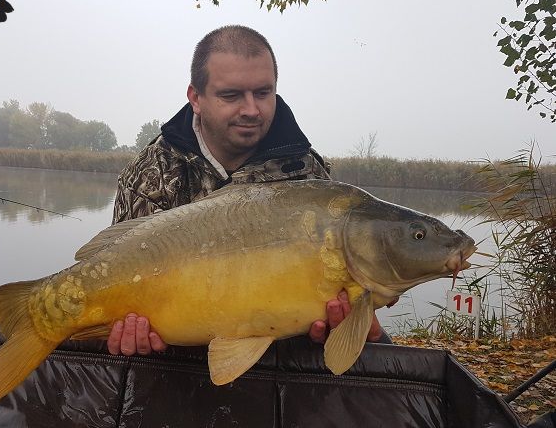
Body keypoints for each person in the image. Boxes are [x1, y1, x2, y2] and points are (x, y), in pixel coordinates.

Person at [108, 25, 392, 357]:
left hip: (276, 361)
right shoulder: (150, 172)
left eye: (263, 92)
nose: (251, 110)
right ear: (195, 98)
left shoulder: (306, 172)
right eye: (231, 95)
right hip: (173, 360)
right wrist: (123, 333)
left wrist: (337, 325)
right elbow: (119, 269)